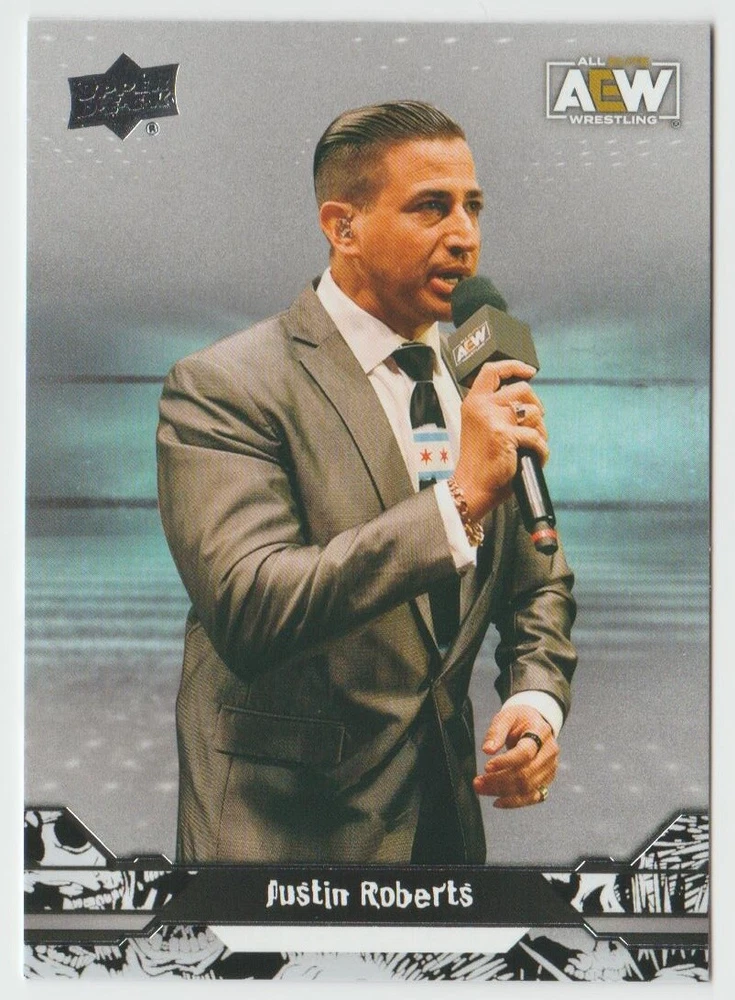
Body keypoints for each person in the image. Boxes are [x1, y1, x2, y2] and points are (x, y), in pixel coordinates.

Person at [156, 101, 577, 864]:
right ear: (342, 227)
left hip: (443, 832)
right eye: (430, 207)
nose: (464, 235)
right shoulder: (225, 386)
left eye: (472, 206)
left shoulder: (480, 374)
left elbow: (536, 578)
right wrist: (456, 503)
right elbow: (251, 608)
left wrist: (534, 699)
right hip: (278, 843)